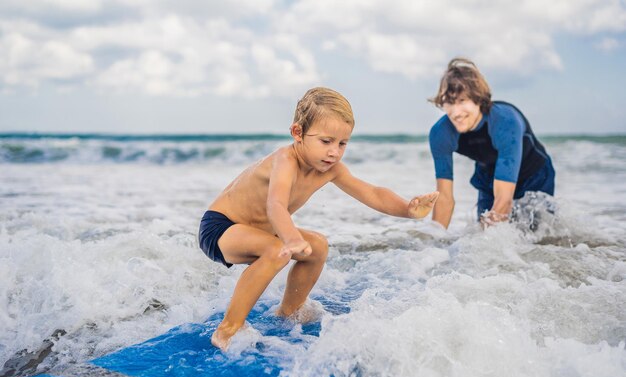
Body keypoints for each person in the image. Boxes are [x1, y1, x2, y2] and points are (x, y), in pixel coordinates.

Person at [199, 87, 439, 350]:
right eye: (326, 141)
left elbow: (372, 192)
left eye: (342, 143)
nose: (334, 152)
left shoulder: (331, 170)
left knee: (318, 246)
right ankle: (228, 328)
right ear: (298, 133)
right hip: (221, 227)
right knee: (277, 250)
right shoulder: (285, 160)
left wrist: (407, 209)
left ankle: (289, 312)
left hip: (262, 231)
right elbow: (275, 204)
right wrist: (290, 238)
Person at [427, 57, 555, 228]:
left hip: (534, 175)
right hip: (488, 177)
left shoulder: (504, 121)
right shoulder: (440, 134)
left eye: (462, 101)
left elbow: (504, 200)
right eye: (449, 103)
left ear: (478, 99)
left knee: (535, 240)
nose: (455, 112)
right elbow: (444, 198)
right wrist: (432, 247)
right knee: (483, 232)